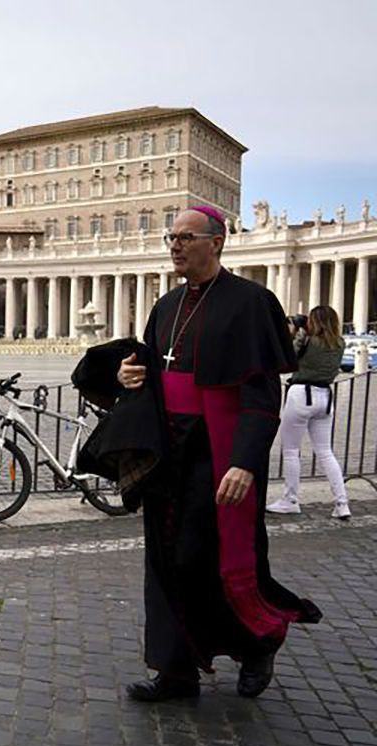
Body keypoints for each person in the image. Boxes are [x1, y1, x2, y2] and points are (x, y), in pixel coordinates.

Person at [117, 206, 320, 702]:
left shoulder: (251, 303)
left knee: (209, 557)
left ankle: (258, 644)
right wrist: (126, 377)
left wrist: (246, 462)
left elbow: (261, 393)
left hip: (218, 451)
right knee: (164, 559)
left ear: (218, 242)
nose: (176, 245)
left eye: (187, 237)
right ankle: (176, 671)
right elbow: (146, 369)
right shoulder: (165, 307)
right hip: (170, 450)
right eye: (172, 237)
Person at [267, 306, 350, 519]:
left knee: (291, 450)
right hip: (325, 397)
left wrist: (296, 331)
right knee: (325, 451)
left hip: (301, 394)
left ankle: (290, 499)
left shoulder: (307, 340)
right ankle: (342, 503)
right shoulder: (340, 343)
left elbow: (288, 358)